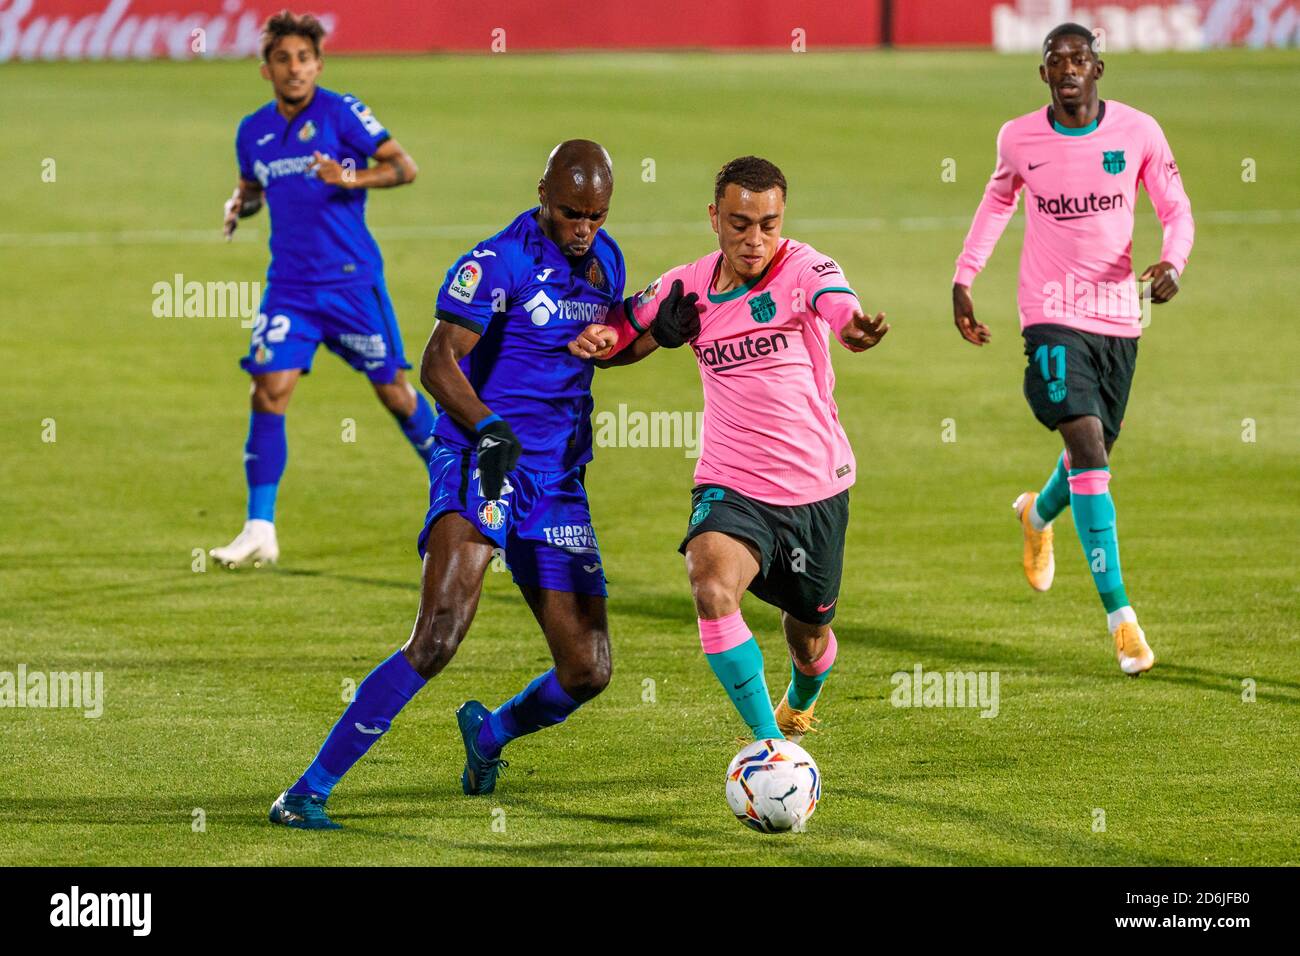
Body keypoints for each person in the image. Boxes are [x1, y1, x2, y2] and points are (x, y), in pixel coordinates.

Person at [270, 140, 626, 829]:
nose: (584, 229)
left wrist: (645, 334)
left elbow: (592, 350)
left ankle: (489, 734)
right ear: (542, 194)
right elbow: (437, 363)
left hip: (557, 484)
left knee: (588, 670)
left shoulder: (606, 261)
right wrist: (490, 427)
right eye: (572, 213)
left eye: (597, 216)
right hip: (480, 459)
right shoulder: (496, 262)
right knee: (436, 636)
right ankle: (306, 791)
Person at [568, 156, 889, 744]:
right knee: (711, 586)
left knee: (810, 641)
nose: (756, 239)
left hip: (814, 486)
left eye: (769, 224)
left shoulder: (802, 266)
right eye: (741, 223)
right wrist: (616, 336)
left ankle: (803, 694)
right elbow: (621, 330)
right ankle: (769, 746)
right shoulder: (686, 283)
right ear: (714, 217)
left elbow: (836, 301)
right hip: (731, 480)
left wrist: (852, 327)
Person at [951, 23, 1194, 675]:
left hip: (1119, 316)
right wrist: (963, 278)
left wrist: (1172, 263)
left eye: (1079, 59)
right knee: (1087, 446)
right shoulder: (1019, 137)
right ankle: (1123, 622)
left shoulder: (1139, 132)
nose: (1067, 69)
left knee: (1094, 457)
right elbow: (996, 202)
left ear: (1099, 68)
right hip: (1049, 313)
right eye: (1055, 60)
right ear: (1043, 75)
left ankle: (1038, 513)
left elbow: (1176, 210)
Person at [212, 11, 428, 569]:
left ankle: (461, 488)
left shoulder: (341, 113)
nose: (294, 69)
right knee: (268, 390)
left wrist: (351, 177)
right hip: (289, 287)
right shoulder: (251, 130)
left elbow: (405, 167)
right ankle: (260, 527)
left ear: (319, 64)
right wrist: (241, 204)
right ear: (266, 69)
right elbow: (256, 186)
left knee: (394, 392)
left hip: (351, 282)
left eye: (304, 59)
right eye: (283, 59)